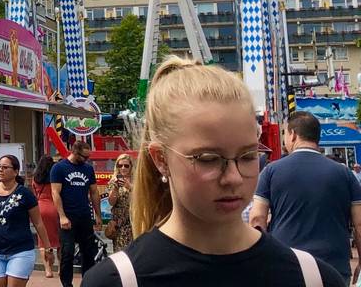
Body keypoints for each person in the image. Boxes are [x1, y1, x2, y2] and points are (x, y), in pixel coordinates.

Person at [83, 57, 346, 287]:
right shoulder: (117, 280)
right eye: (208, 159)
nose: (233, 177)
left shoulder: (313, 278)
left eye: (248, 156)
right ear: (161, 159)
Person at [249, 110, 361, 283]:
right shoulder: (345, 174)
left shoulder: (271, 171)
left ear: (293, 135)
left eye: (285, 133)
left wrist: (258, 260)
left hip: (286, 264)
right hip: (334, 266)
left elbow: (257, 218)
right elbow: (359, 223)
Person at [0, 154, 51, 287]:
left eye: (5, 167)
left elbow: (38, 223)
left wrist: (48, 248)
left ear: (16, 171)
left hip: (20, 251)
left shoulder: (24, 193)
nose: (0, 170)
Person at [50, 139, 103, 287]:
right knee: (67, 252)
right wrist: (62, 216)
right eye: (84, 157)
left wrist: (97, 214)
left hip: (84, 215)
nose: (87, 160)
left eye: (88, 157)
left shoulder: (87, 169)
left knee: (89, 251)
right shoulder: (59, 168)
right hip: (68, 216)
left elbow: (93, 192)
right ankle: (67, 284)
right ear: (75, 152)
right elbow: (55, 192)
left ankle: (88, 282)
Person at [31, 154, 61, 279]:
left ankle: (48, 270)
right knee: (60, 241)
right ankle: (60, 267)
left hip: (40, 208)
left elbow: (34, 194)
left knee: (42, 241)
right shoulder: (55, 177)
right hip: (55, 208)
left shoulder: (35, 178)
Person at [104, 153, 134, 254]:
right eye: (120, 165)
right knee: (120, 253)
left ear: (131, 167)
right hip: (119, 224)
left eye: (126, 165)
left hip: (134, 222)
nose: (123, 168)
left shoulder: (137, 180)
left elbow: (141, 199)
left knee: (134, 253)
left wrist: (130, 187)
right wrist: (116, 188)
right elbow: (111, 202)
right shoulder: (113, 181)